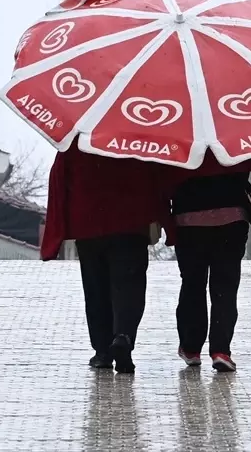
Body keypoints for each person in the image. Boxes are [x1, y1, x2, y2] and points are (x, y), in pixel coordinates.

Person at [40, 147, 175, 374]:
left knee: (96, 288)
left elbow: (58, 180)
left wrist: (55, 234)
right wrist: (167, 220)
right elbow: (157, 177)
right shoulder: (136, 139)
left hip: (88, 224)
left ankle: (102, 351)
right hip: (130, 223)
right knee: (129, 286)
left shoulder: (77, 139)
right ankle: (123, 336)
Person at [168, 154, 251, 373]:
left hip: (189, 221)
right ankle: (221, 351)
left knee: (192, 285)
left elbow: (163, 177)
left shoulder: (183, 140)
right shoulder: (233, 137)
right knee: (225, 286)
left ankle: (191, 348)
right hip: (231, 222)